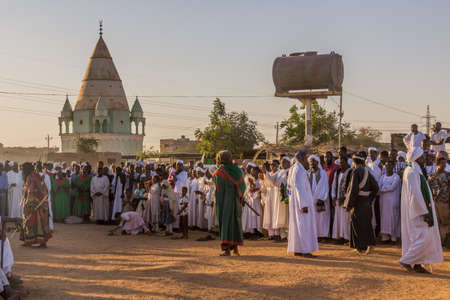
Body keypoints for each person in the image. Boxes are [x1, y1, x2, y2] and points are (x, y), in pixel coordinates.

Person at [400, 147, 443, 273]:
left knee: (417, 237)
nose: (424, 159)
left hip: (418, 210)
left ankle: (417, 263)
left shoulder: (413, 171)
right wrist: (424, 212)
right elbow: (415, 195)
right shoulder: (411, 172)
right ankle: (406, 260)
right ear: (416, 158)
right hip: (418, 212)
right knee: (423, 237)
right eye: (421, 157)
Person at [213, 150, 246, 256]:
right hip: (236, 201)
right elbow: (243, 186)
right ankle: (235, 249)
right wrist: (240, 196)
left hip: (225, 202)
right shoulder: (237, 170)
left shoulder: (220, 172)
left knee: (226, 223)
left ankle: (227, 250)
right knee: (235, 222)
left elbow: (218, 189)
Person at [344, 153, 379, 254]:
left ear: (355, 163)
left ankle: (360, 246)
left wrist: (349, 205)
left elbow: (353, 190)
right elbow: (376, 187)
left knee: (356, 224)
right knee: (366, 224)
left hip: (358, 202)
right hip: (366, 202)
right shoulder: (368, 172)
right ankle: (365, 246)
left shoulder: (356, 172)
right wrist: (369, 199)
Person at [287, 151, 318, 258]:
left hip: (296, 202)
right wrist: (303, 204)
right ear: (302, 159)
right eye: (306, 159)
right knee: (303, 226)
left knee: (298, 226)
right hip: (302, 203)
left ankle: (298, 249)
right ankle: (305, 250)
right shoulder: (299, 170)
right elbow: (299, 189)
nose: (307, 161)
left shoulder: (294, 168)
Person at [21, 162, 52, 247]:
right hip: (36, 202)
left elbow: (32, 190)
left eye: (23, 170)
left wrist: (31, 203)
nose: (22, 172)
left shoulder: (32, 177)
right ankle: (30, 240)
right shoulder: (34, 175)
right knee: (35, 222)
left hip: (36, 203)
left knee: (35, 221)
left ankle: (39, 241)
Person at [428, 155, 449, 248]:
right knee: (437, 222)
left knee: (446, 222)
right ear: (438, 164)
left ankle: (445, 241)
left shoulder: (448, 175)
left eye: (445, 163)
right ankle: (439, 241)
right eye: (442, 163)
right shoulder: (431, 175)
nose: (444, 165)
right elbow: (429, 188)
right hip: (434, 202)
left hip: (445, 202)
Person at [308, 155, 330, 239]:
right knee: (313, 219)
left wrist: (321, 198)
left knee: (321, 218)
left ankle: (322, 235)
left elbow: (325, 186)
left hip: (321, 199)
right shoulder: (308, 173)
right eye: (311, 162)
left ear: (317, 163)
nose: (312, 164)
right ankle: (314, 235)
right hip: (311, 199)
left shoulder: (323, 173)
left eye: (314, 162)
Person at [379, 160, 401, 243]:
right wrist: (384, 188)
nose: (388, 167)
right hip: (384, 201)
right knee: (384, 217)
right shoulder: (383, 177)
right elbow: (379, 187)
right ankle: (385, 237)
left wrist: (383, 188)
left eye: (390, 165)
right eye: (386, 165)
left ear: (393, 166)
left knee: (393, 217)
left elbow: (392, 187)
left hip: (393, 201)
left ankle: (393, 237)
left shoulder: (396, 177)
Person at [331, 154, 352, 242]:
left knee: (345, 218)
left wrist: (344, 197)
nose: (341, 164)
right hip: (338, 199)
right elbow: (334, 185)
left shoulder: (351, 172)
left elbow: (351, 187)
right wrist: (333, 197)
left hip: (346, 199)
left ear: (347, 162)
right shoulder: (338, 172)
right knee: (339, 218)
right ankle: (339, 236)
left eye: (343, 162)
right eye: (340, 163)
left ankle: (346, 237)